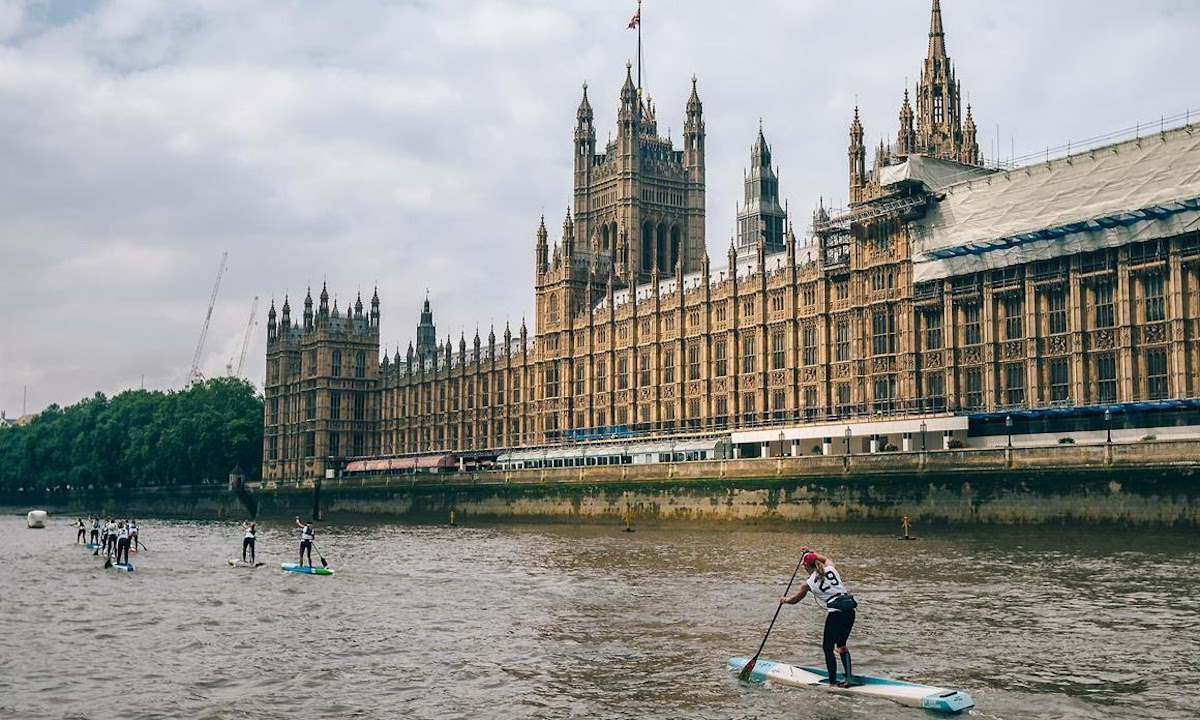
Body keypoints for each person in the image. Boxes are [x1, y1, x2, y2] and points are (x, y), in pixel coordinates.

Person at [781, 549, 857, 688]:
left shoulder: (808, 584)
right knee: (841, 645)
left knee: (827, 648)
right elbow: (826, 558)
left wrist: (784, 600)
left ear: (805, 566)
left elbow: (794, 600)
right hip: (850, 610)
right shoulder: (831, 569)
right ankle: (849, 678)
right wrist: (812, 552)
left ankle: (833, 683)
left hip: (836, 613)